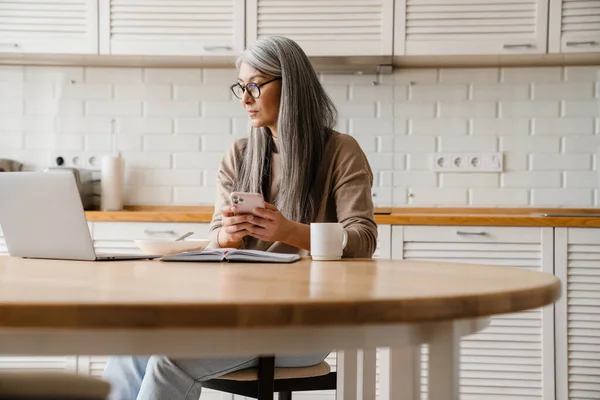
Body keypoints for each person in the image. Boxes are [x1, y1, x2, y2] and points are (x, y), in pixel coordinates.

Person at [102, 35, 377, 400]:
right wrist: (227, 236)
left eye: (254, 86)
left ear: (291, 85)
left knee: (171, 359)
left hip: (307, 322)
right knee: (129, 348)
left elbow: (363, 238)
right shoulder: (240, 154)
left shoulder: (341, 151)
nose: (245, 99)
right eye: (241, 87)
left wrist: (291, 232)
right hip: (235, 313)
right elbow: (215, 234)